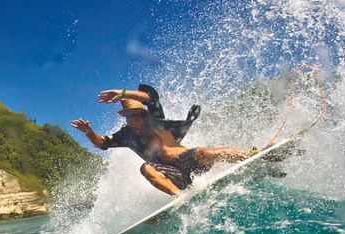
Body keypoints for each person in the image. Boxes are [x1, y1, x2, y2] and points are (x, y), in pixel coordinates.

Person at [71, 84, 259, 196]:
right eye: (128, 118)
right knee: (146, 168)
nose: (133, 121)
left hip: (190, 161)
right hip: (172, 174)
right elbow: (101, 143)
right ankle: (180, 197)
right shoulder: (126, 135)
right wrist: (89, 132)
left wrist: (124, 93)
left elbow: (151, 97)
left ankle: (252, 155)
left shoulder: (155, 121)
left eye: (136, 116)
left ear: (143, 116)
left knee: (206, 152)